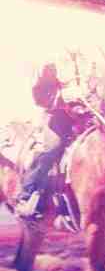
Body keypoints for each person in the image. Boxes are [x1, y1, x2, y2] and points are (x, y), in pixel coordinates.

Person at [14, 56, 89, 219]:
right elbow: (39, 96)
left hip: (87, 117)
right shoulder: (50, 66)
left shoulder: (88, 61)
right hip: (58, 119)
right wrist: (62, 99)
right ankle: (27, 196)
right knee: (51, 149)